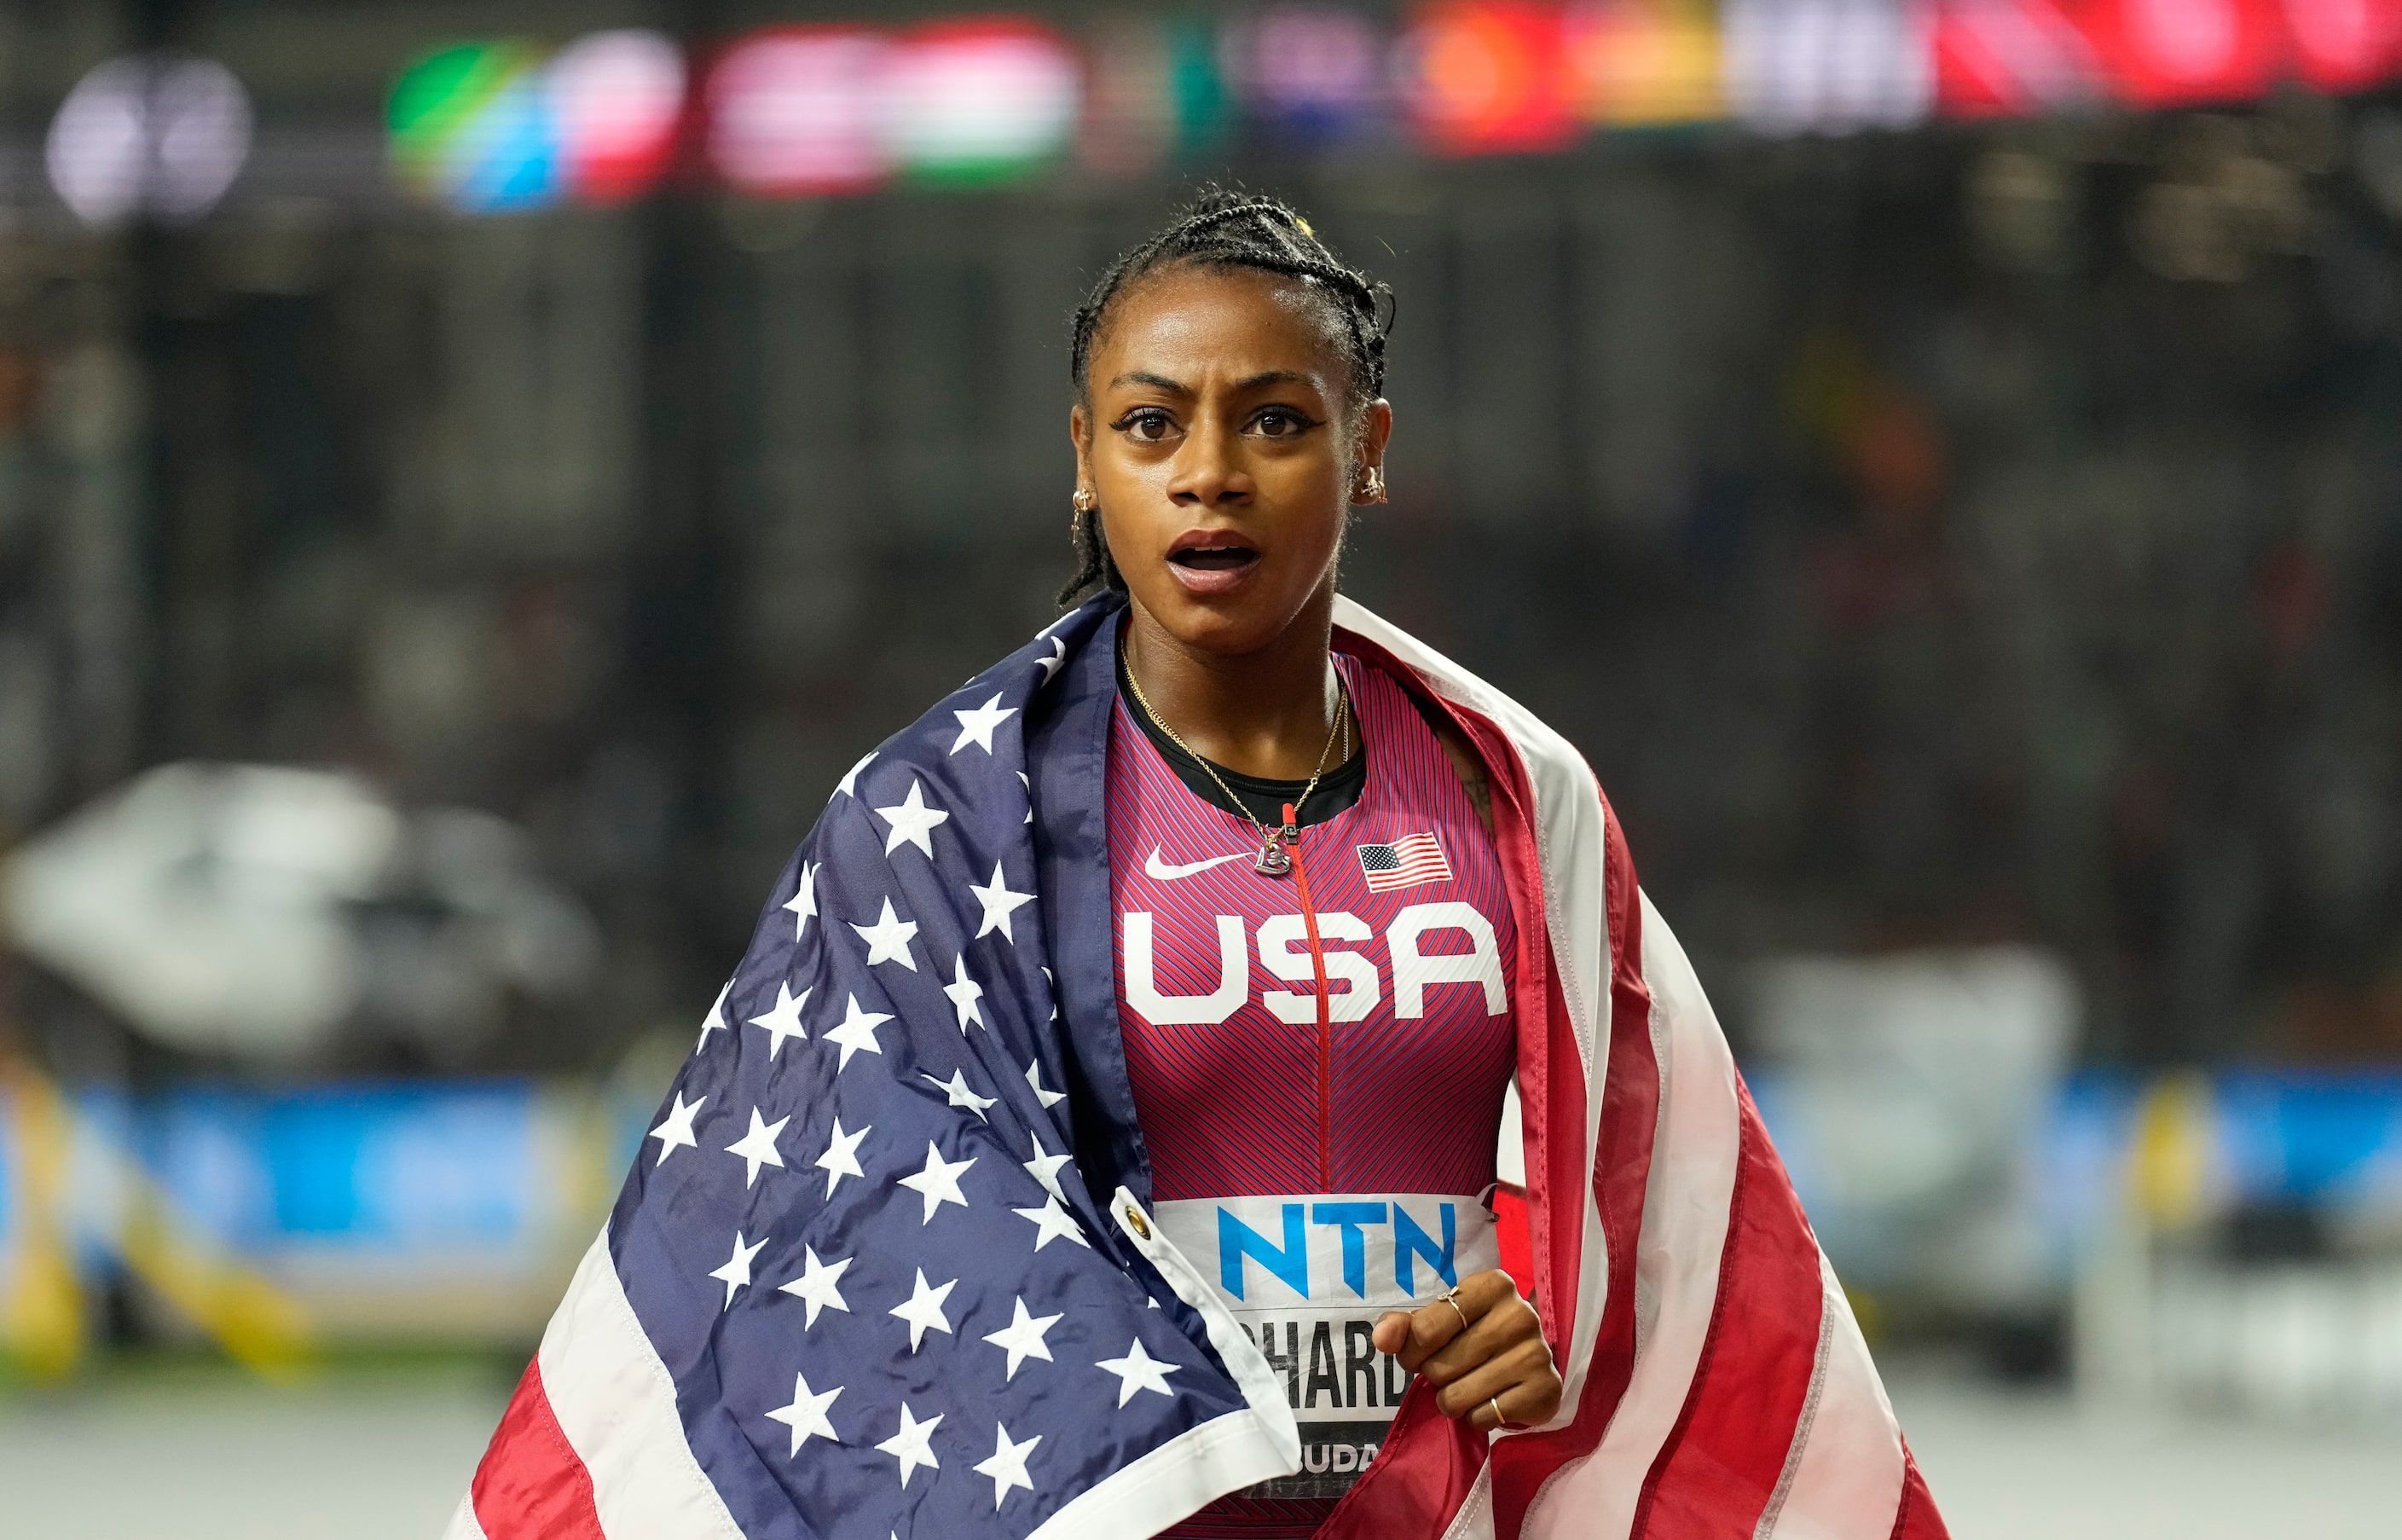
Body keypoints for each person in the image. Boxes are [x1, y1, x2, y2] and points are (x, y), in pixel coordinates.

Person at [449, 191, 1947, 1540]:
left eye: (1275, 421)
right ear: (1084, 466)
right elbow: (851, 1234)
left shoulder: (1514, 795)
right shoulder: (953, 820)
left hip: (1444, 1508)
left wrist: (1546, 1309)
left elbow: (1649, 1206)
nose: (1208, 474)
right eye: (1151, 425)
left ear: (1367, 452)